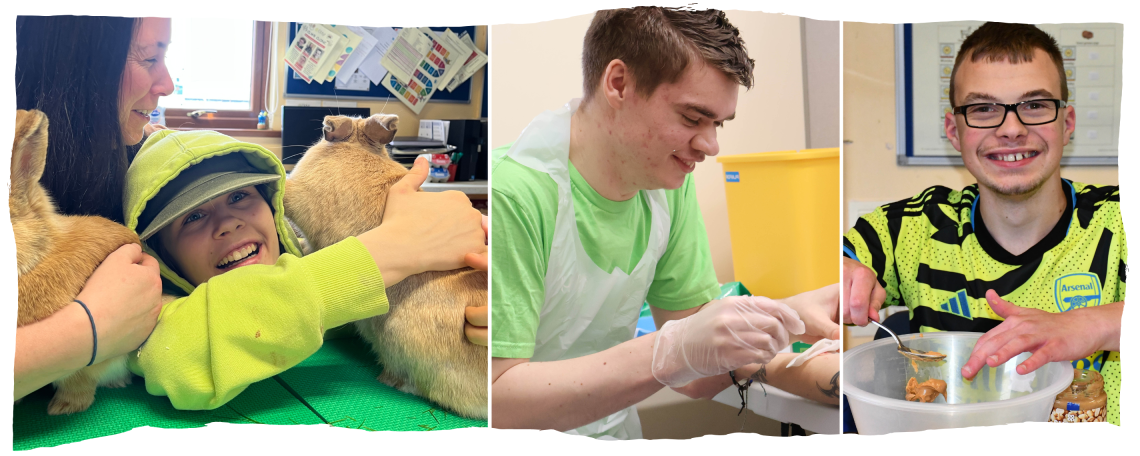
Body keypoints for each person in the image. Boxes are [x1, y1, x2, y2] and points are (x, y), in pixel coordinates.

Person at [13, 16, 487, 402]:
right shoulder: (146, 294)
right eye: (149, 56)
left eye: (241, 196)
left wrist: (477, 294)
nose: (167, 83)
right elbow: (177, 348)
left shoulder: (299, 256)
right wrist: (390, 252)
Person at [490, 7, 840, 439]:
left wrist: (783, 325)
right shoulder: (515, 193)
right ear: (618, 84)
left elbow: (694, 373)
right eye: (692, 118)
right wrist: (670, 349)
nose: (710, 145)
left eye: (718, 124)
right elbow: (495, 399)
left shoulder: (664, 183)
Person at [841, 22, 1123, 425]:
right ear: (954, 132)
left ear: (1067, 122)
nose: (1011, 128)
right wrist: (842, 276)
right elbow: (828, 266)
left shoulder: (1121, 221)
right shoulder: (912, 227)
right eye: (984, 108)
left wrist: (1097, 323)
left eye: (1035, 105)